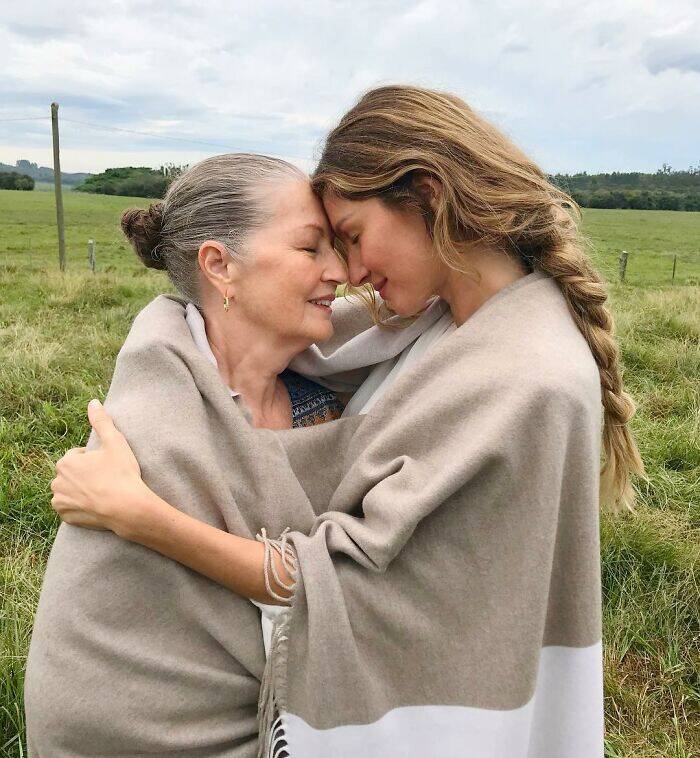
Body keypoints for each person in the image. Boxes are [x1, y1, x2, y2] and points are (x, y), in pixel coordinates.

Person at [48, 85, 644, 758]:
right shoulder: (436, 327)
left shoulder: (523, 377)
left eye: (352, 238)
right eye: (324, 246)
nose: (349, 271)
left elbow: (347, 587)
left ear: (428, 196)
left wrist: (141, 515)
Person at [24, 152, 442, 757]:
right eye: (311, 248)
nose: (341, 271)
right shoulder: (152, 434)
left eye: (336, 247)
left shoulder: (326, 393)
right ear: (221, 266)